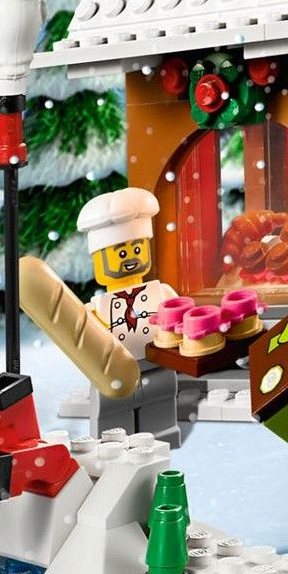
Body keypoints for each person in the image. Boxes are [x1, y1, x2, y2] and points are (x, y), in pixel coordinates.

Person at [74, 187, 181, 442]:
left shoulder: (162, 292)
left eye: (137, 249)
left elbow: (181, 318)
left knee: (161, 397)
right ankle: (113, 445)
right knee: (112, 408)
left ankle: (161, 435)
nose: (131, 258)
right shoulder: (95, 308)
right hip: (115, 374)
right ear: (99, 259)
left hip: (157, 364)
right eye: (121, 253)